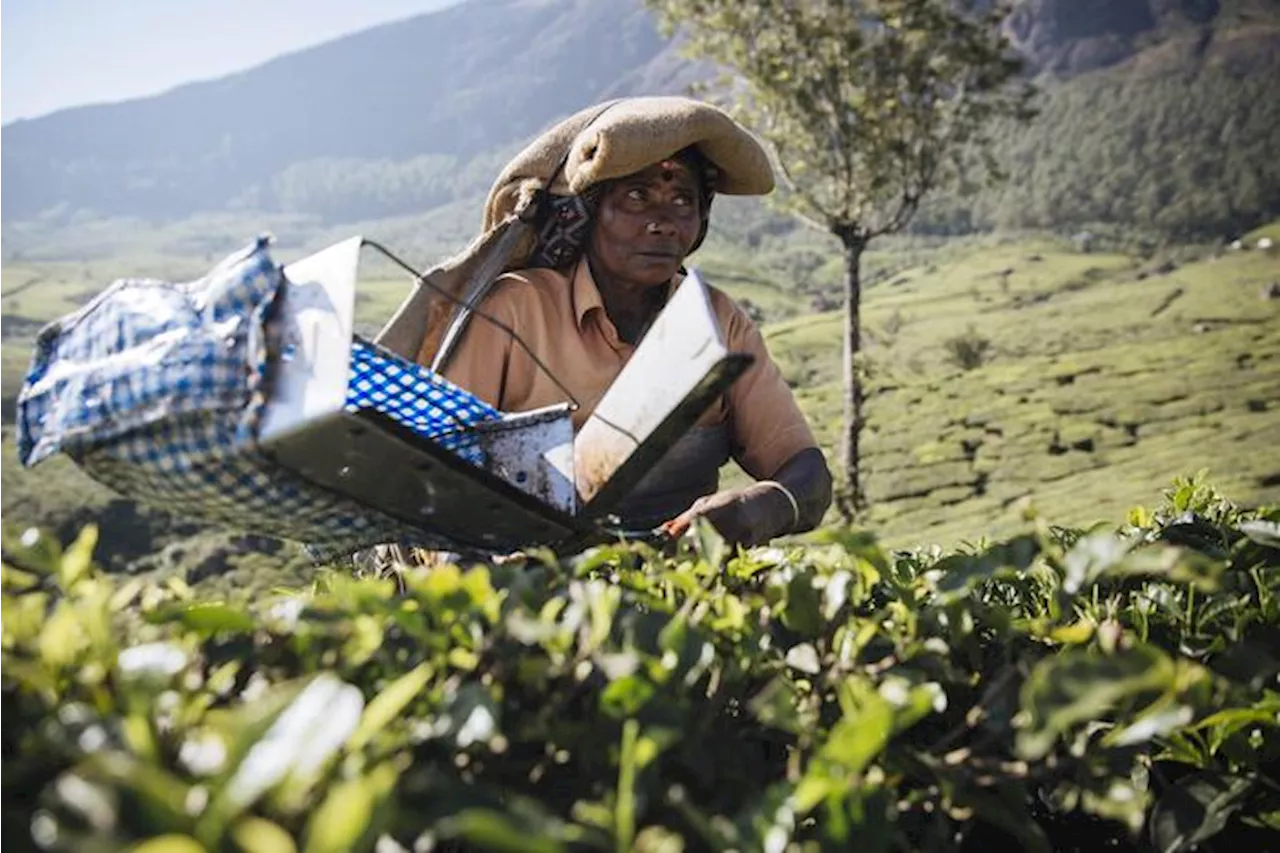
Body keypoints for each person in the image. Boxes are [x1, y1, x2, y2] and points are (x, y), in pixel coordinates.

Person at [424, 97, 832, 548]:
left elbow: (809, 476)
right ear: (588, 213)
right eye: (637, 197)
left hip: (678, 595)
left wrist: (756, 509)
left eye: (682, 200)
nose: (663, 222)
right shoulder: (515, 311)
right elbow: (433, 484)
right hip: (530, 595)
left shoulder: (719, 323)